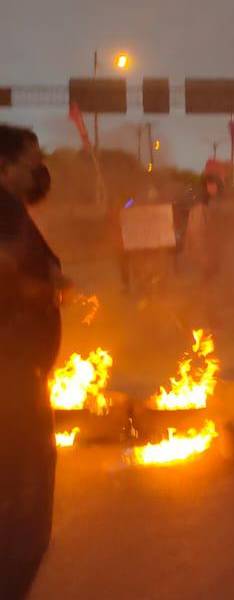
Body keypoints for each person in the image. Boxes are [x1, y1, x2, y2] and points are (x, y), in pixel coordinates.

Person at [0, 124, 63, 599]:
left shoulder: (13, 210)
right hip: (12, 372)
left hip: (22, 369)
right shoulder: (2, 213)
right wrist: (50, 289)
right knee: (23, 503)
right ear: (5, 166)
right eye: (31, 161)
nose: (39, 169)